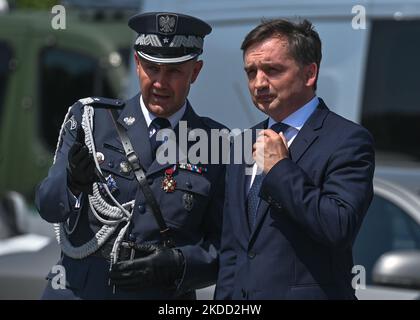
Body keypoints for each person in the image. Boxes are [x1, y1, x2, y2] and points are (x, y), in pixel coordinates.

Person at [36, 12, 227, 299]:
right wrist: (72, 184)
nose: (161, 83)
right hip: (81, 291)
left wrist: (180, 263)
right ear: (137, 64)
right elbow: (48, 206)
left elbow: (226, 245)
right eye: (152, 68)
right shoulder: (92, 121)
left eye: (174, 72)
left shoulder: (215, 143)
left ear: (195, 72)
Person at [215, 18, 375, 300]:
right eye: (251, 72)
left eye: (272, 70)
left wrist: (280, 168)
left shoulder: (348, 140)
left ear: (309, 73)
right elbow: (234, 250)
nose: (258, 83)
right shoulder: (243, 142)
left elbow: (338, 227)